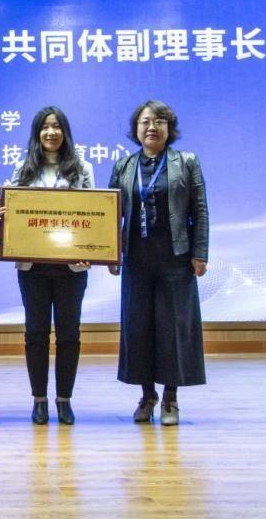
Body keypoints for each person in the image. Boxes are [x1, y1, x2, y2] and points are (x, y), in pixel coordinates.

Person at [108, 100, 208, 426]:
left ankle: (170, 399)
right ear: (136, 129)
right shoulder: (124, 166)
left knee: (172, 329)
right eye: (145, 121)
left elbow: (200, 210)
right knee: (140, 329)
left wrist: (200, 252)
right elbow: (109, 213)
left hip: (176, 259)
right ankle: (147, 395)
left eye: (159, 121)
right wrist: (110, 252)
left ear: (169, 128)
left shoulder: (186, 162)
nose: (152, 127)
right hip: (137, 259)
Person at [0, 106, 94, 426]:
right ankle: (39, 399)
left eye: (57, 127)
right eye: (45, 127)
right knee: (36, 334)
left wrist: (90, 249)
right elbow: (11, 213)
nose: (51, 132)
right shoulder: (22, 169)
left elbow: (94, 215)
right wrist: (5, 215)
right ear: (36, 133)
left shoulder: (82, 169)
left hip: (71, 268)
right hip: (33, 267)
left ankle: (64, 399)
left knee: (69, 335)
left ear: (65, 132)